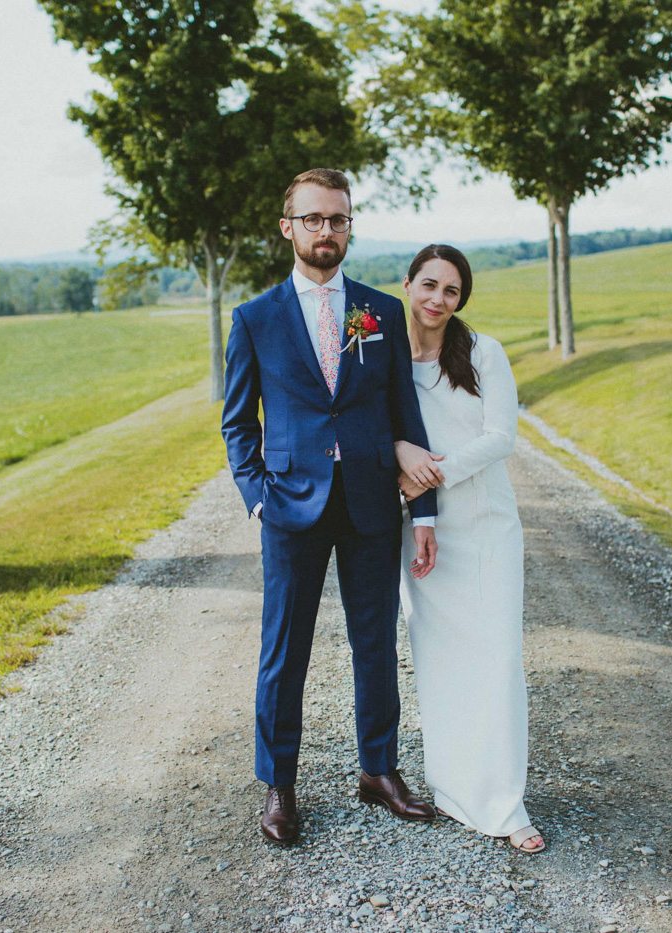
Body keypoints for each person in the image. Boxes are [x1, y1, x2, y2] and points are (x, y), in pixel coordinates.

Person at [221, 168, 444, 846]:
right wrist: (258, 498)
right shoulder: (255, 319)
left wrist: (425, 509)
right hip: (290, 507)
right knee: (283, 649)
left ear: (349, 226)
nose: (327, 231)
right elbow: (237, 423)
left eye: (338, 219)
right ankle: (279, 784)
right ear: (288, 227)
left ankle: (378, 770)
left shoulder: (377, 310)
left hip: (373, 503)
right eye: (314, 219)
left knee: (374, 643)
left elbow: (404, 414)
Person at [394, 244, 545, 853]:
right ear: (407, 286)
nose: (437, 299)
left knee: (498, 660)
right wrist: (407, 472)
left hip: (484, 529)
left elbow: (501, 437)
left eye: (451, 291)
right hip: (420, 528)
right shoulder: (385, 361)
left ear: (461, 301)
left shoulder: (483, 353)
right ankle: (455, 789)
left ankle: (505, 803)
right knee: (440, 663)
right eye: (428, 285)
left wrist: (430, 472)